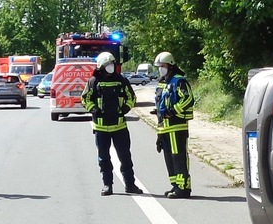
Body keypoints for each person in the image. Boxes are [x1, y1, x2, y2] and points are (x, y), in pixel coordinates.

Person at [81, 51, 142, 196]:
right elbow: (85, 99)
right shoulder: (93, 81)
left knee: (125, 156)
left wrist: (125, 108)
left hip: (119, 126)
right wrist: (93, 109)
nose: (111, 67)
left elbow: (131, 97)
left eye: (112, 64)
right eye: (108, 64)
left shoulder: (121, 80)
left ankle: (130, 184)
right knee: (104, 158)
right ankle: (107, 184)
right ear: (101, 66)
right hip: (101, 128)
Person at [153, 51, 194, 198]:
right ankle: (175, 185)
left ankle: (183, 188)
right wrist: (159, 131)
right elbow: (159, 105)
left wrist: (173, 111)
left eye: (162, 66)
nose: (160, 69)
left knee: (178, 157)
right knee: (169, 158)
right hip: (164, 127)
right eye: (159, 66)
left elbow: (188, 99)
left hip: (177, 126)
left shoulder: (179, 81)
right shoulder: (162, 82)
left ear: (170, 65)